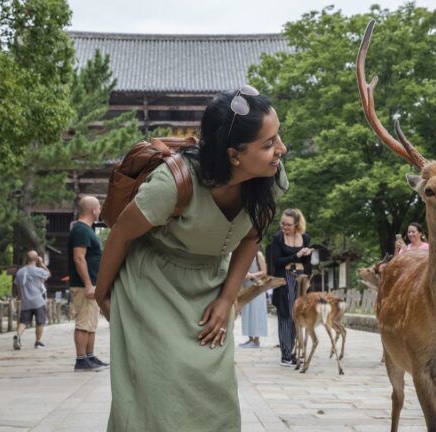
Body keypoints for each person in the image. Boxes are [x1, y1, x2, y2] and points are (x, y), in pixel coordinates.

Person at [94, 84, 288, 432]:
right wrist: (102, 293)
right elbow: (121, 234)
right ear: (233, 155)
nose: (281, 149)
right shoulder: (175, 181)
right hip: (153, 284)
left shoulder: (267, 180)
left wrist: (227, 298)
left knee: (214, 392)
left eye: (278, 138)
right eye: (268, 143)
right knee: (156, 395)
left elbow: (250, 238)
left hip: (211, 285)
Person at [68, 196, 108, 371]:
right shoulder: (81, 230)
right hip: (85, 285)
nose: (100, 211)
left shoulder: (87, 230)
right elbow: (79, 258)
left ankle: (90, 357)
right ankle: (81, 359)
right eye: (99, 207)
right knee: (83, 323)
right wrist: (89, 284)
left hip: (92, 284)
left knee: (91, 323)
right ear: (93, 210)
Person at [271, 208, 313, 366]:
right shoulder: (278, 238)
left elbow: (308, 264)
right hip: (284, 279)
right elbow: (276, 262)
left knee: (298, 315)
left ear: (296, 224)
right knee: (285, 315)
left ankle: (295, 351)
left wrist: (307, 255)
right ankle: (285, 354)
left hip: (301, 280)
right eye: (282, 223)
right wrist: (296, 256)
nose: (284, 227)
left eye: (288, 224)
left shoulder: (305, 238)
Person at [13, 250, 51, 349]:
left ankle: (18, 335)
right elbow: (48, 274)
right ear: (36, 258)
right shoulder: (38, 270)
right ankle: (37, 342)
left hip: (26, 302)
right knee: (40, 321)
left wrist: (20, 296)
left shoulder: (20, 272)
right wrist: (42, 263)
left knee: (23, 321)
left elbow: (17, 286)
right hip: (38, 301)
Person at [239, 250, 267, 348]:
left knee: (256, 314)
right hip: (246, 287)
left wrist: (251, 275)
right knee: (247, 314)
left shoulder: (258, 254)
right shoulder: (243, 255)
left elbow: (264, 271)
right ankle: (250, 339)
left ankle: (256, 340)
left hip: (257, 288)